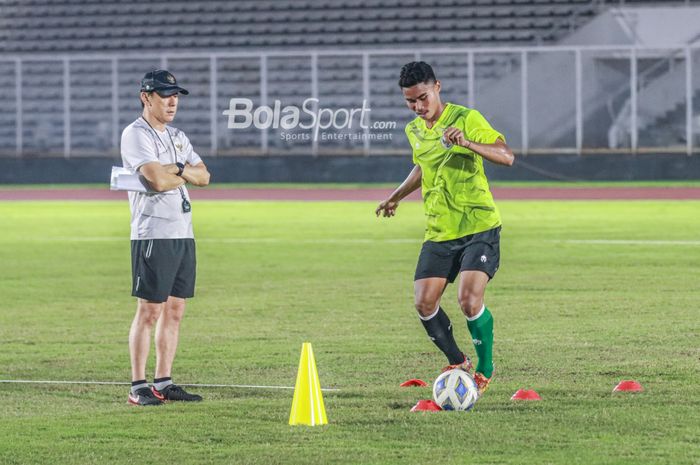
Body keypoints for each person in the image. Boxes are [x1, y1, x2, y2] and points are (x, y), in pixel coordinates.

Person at [376, 62, 514, 395]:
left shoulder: (467, 119)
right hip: (440, 230)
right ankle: (458, 361)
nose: (418, 107)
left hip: (478, 225)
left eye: (422, 98)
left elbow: (506, 156)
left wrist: (468, 143)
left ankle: (484, 369)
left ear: (437, 87)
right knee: (424, 303)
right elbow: (422, 167)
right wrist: (396, 197)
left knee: (468, 300)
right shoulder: (415, 130)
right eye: (410, 102)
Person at [121, 69, 211, 406]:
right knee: (149, 311)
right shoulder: (135, 134)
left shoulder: (177, 136)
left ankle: (164, 381)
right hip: (153, 233)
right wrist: (179, 172)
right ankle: (138, 386)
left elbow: (204, 176)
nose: (172, 101)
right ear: (146, 97)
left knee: (175, 311)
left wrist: (174, 169)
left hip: (183, 233)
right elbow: (155, 181)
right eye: (164, 94)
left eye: (175, 94)